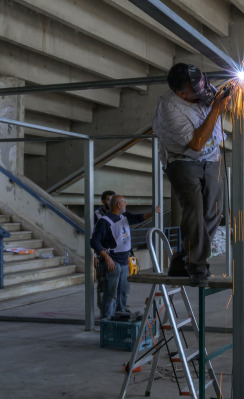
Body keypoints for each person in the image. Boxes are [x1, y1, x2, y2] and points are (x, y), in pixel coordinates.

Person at [153, 63, 230, 287]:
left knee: (214, 210)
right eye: (195, 92)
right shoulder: (170, 108)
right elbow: (196, 144)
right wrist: (216, 109)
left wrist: (226, 98)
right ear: (181, 93)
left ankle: (181, 259)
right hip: (182, 160)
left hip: (212, 159)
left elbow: (222, 102)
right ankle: (197, 266)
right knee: (194, 210)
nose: (203, 94)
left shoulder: (202, 88)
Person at [90, 195, 158, 319]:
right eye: (124, 202)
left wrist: (153, 212)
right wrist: (106, 257)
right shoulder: (104, 221)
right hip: (113, 263)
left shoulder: (124, 216)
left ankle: (119, 316)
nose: (126, 204)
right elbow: (94, 241)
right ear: (118, 205)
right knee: (111, 294)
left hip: (124, 262)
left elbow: (139, 217)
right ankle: (107, 320)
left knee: (123, 292)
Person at [93, 190, 115, 310]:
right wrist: (94, 255)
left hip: (115, 254)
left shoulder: (117, 213)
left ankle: (114, 309)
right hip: (101, 254)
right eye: (108, 199)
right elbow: (93, 236)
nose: (110, 202)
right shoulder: (97, 215)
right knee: (102, 282)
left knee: (115, 284)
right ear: (103, 201)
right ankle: (103, 309)